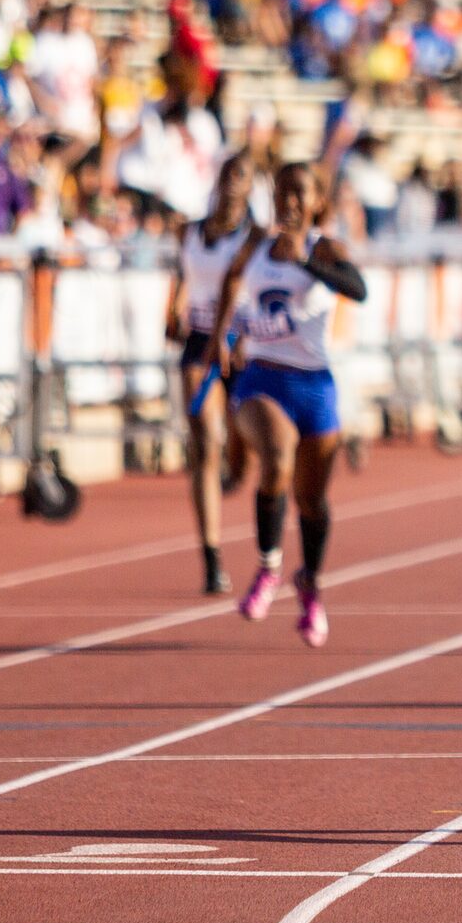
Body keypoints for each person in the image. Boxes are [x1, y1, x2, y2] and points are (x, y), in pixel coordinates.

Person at [208, 163, 367, 648]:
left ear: (318, 202)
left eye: (300, 193)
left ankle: (311, 585)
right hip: (262, 376)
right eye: (283, 192)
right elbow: (231, 282)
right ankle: (269, 567)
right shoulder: (256, 244)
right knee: (276, 456)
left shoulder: (325, 248)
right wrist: (223, 334)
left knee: (313, 501)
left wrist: (306, 262)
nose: (290, 202)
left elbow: (358, 290)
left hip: (315, 387)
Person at [173, 157, 260, 597]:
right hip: (201, 343)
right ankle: (211, 557)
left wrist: (248, 334)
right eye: (227, 174)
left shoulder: (256, 237)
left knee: (242, 443)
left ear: (250, 188)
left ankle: (239, 463)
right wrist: (174, 308)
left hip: (243, 345)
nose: (231, 183)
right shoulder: (189, 231)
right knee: (205, 439)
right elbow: (184, 275)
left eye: (240, 176)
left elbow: (259, 288)